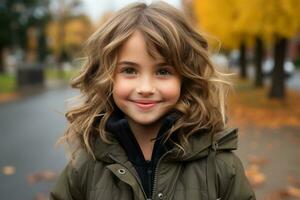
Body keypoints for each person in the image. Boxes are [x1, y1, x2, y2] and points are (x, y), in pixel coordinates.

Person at [50, 1, 255, 200]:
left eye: (163, 71)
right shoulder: (86, 165)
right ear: (106, 76)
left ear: (186, 77)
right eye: (129, 70)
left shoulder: (219, 164)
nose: (146, 88)